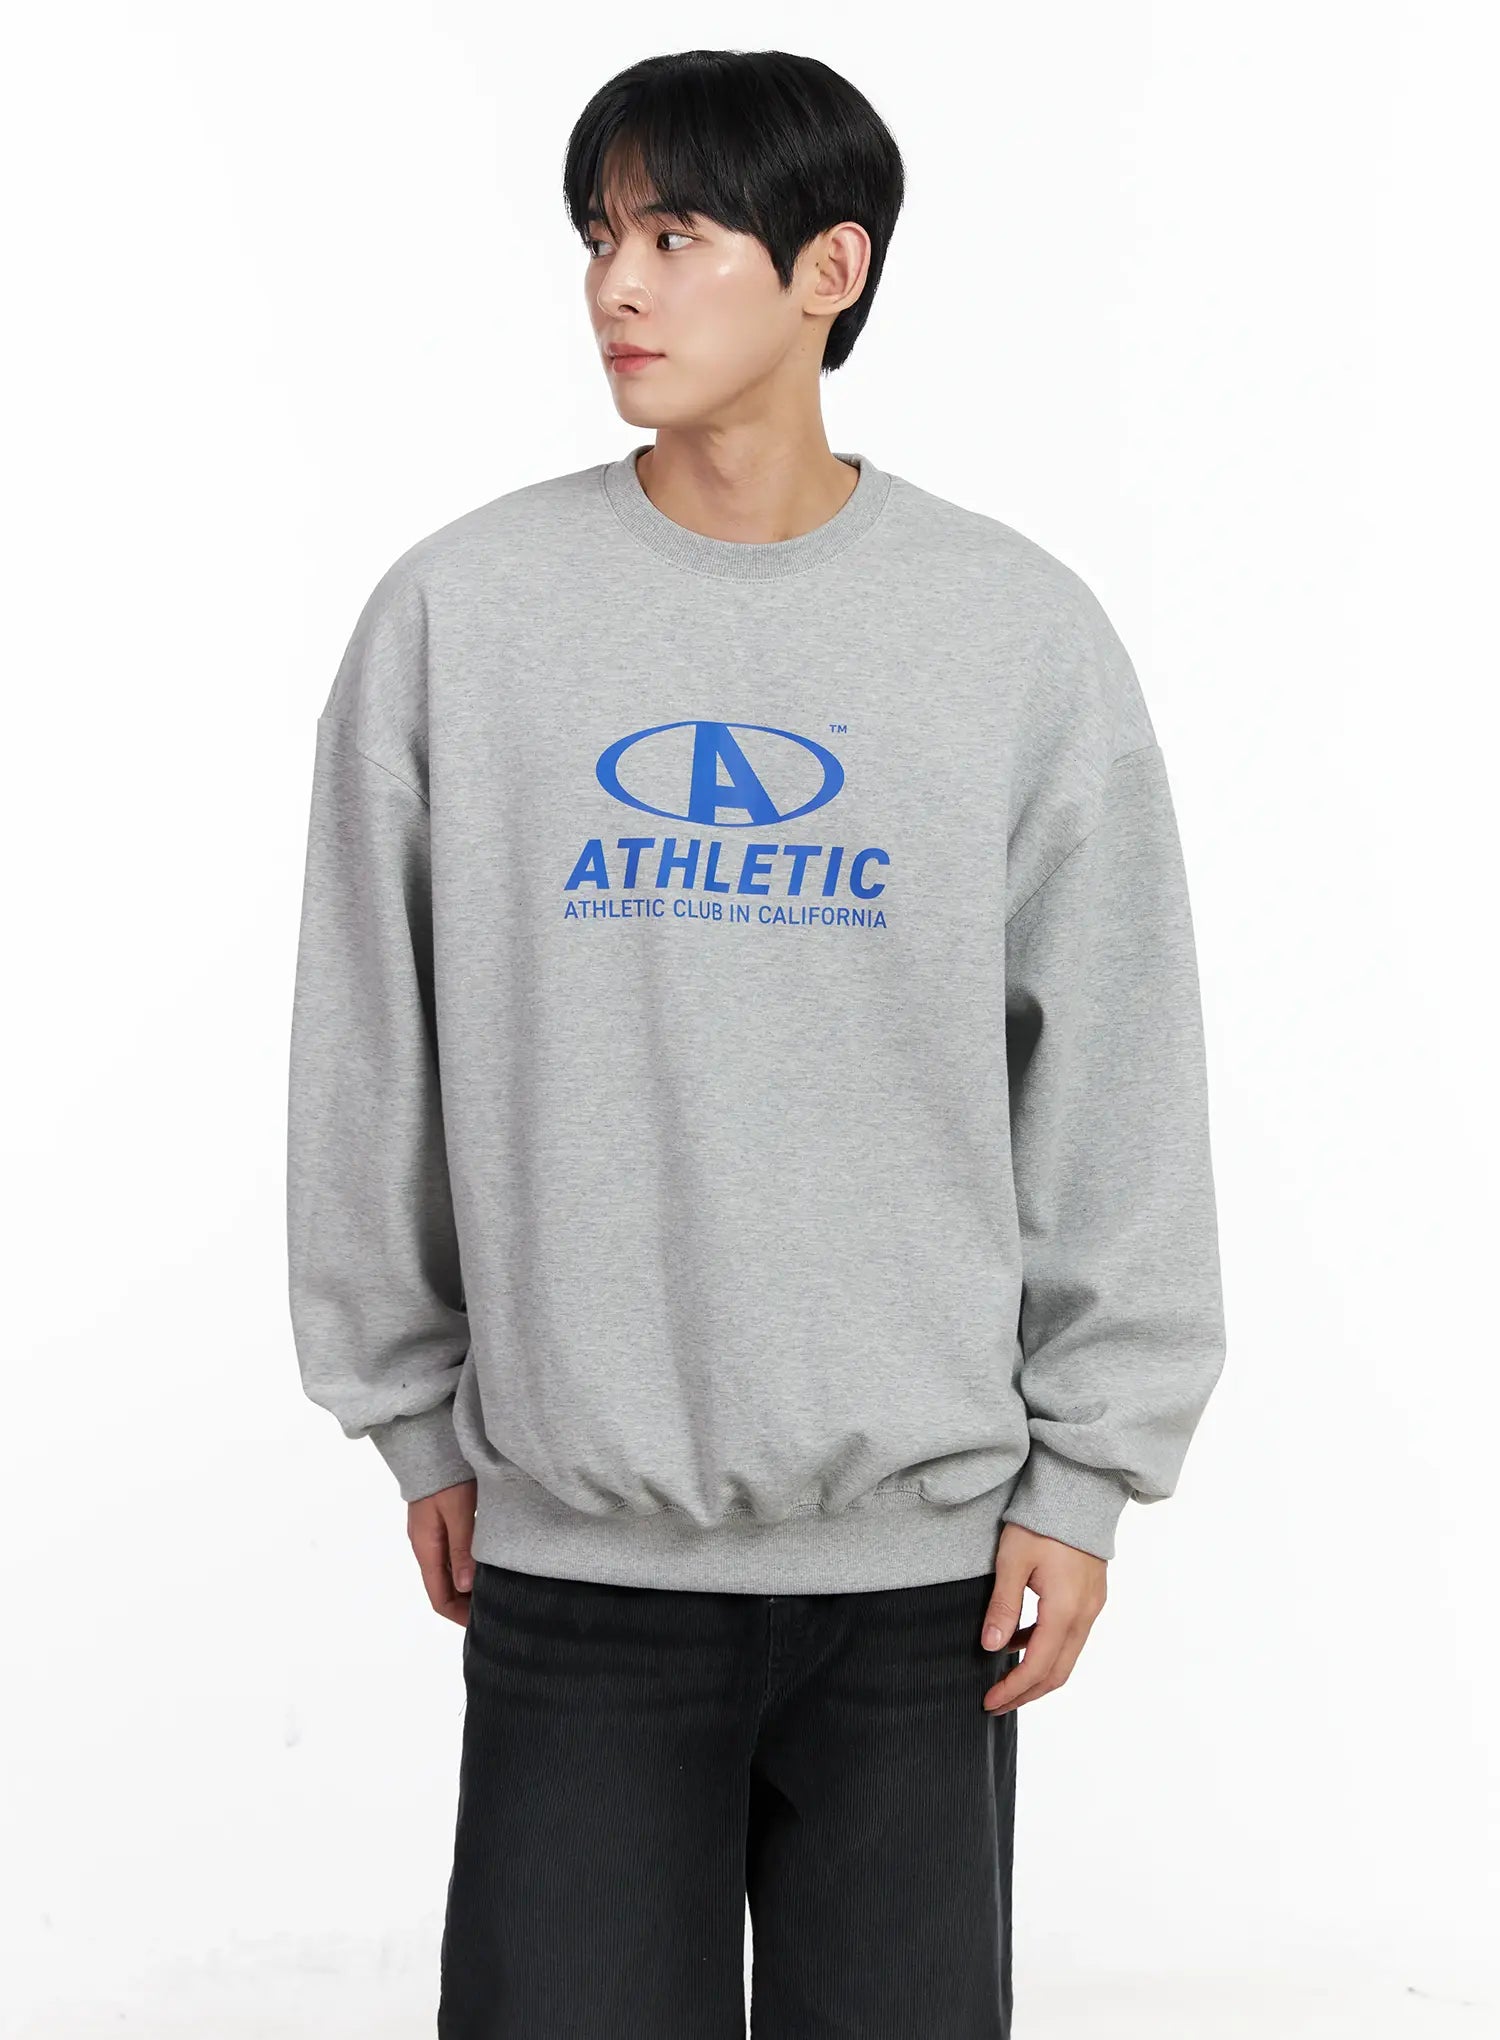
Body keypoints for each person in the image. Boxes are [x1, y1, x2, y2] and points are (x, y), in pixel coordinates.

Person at [286, 47, 1226, 2040]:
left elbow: (1117, 1066)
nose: (615, 285)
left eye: (677, 234)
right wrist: (412, 1414)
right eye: (598, 237)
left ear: (829, 270)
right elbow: (370, 1038)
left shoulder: (1010, 632)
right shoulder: (463, 617)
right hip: (578, 1568)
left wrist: (1089, 1476)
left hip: (923, 1584)